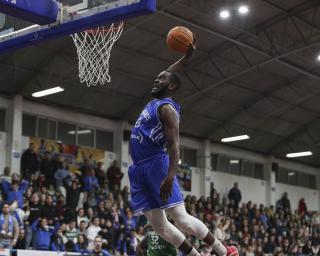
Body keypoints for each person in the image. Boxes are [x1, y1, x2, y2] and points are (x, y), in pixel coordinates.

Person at [128, 38, 238, 256]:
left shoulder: (167, 109)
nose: (156, 79)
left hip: (156, 164)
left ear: (171, 86)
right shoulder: (155, 101)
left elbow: (175, 145)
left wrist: (170, 177)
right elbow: (171, 71)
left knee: (182, 219)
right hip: (137, 168)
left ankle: (223, 251)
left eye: (161, 79)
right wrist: (187, 57)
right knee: (159, 226)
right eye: (157, 77)